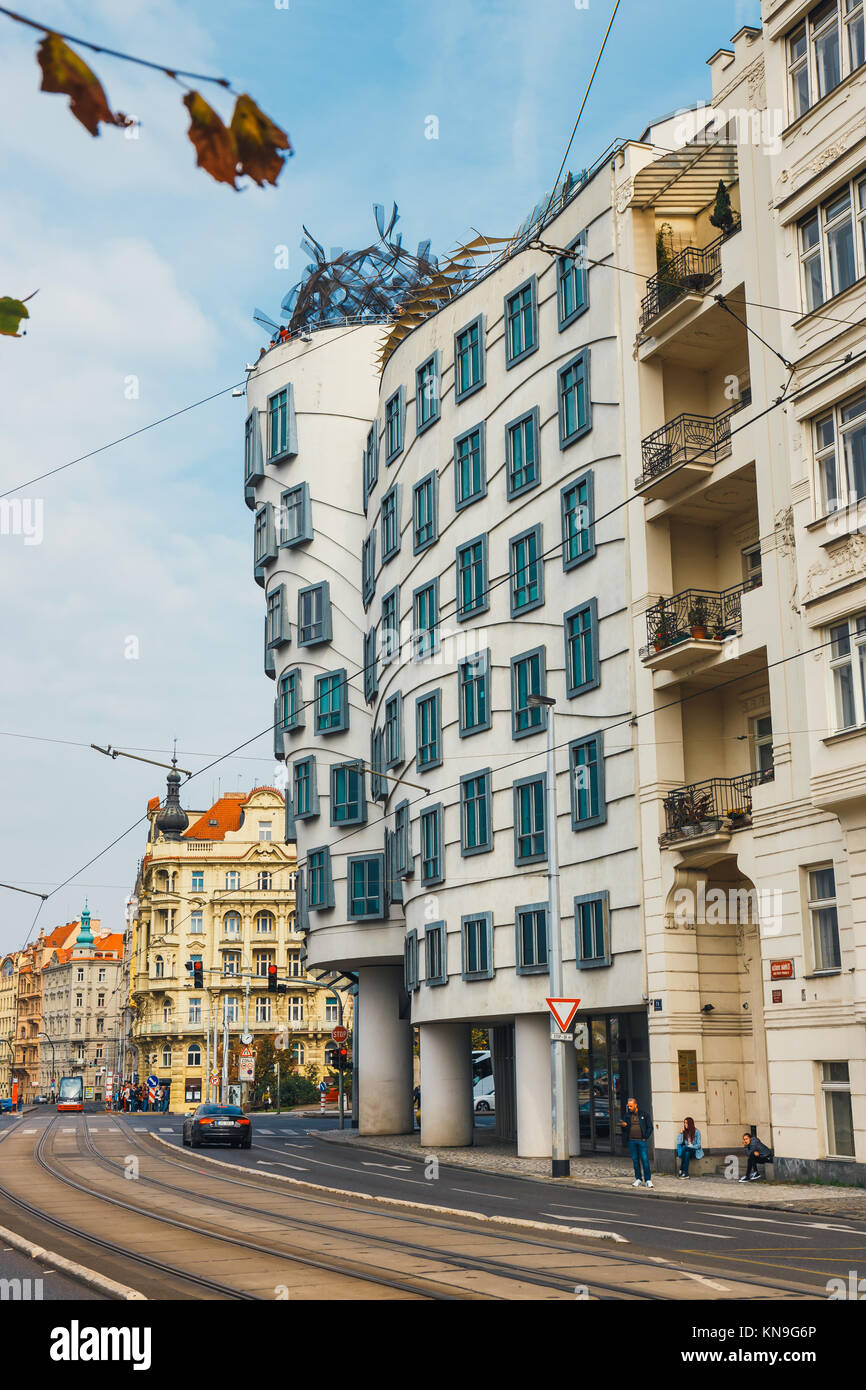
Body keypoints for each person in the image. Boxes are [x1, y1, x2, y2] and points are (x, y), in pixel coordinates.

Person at [620, 1096, 654, 1188]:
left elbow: (650, 1127)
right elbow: (624, 1130)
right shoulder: (627, 1115)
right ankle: (638, 1179)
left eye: (631, 1106)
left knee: (645, 1160)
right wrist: (624, 1126)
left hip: (641, 1141)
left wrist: (645, 1137)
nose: (629, 1108)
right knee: (635, 1161)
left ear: (635, 1105)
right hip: (632, 1141)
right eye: (628, 1106)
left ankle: (648, 1180)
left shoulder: (644, 1114)